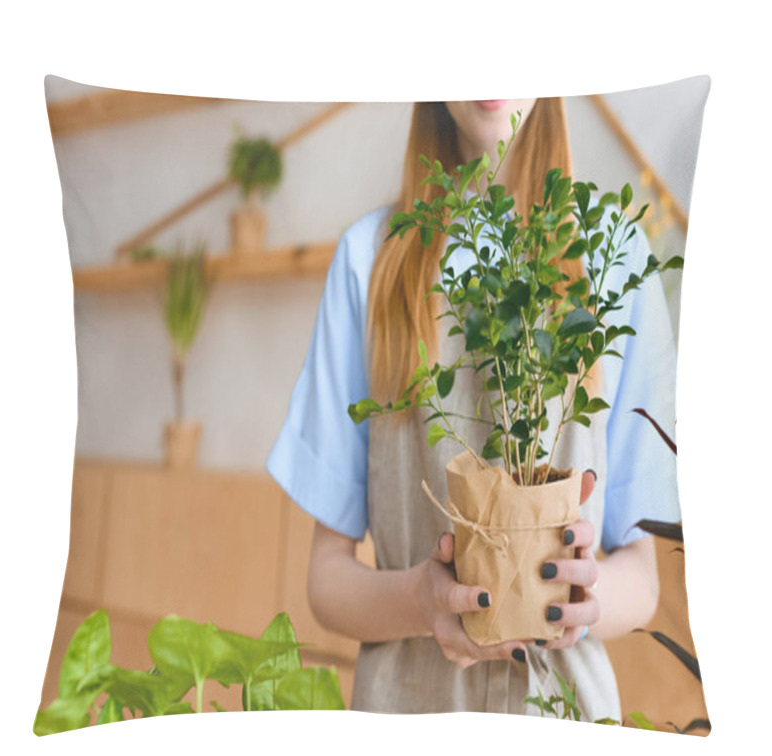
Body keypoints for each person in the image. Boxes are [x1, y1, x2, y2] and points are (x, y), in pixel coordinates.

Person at [266, 99, 679, 719]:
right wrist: (421, 601)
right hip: (407, 716)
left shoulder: (616, 258)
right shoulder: (371, 261)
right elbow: (326, 582)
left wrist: (585, 605)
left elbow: (642, 580)